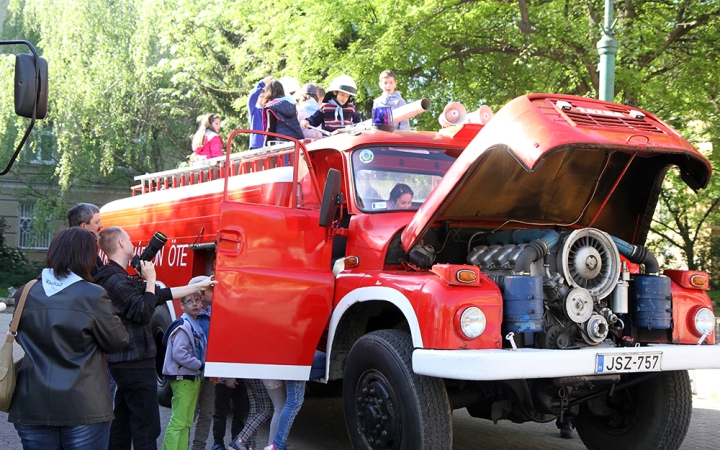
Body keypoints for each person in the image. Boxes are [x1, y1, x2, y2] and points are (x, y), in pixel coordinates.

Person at [95, 226, 217, 450]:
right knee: (147, 426)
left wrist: (198, 286)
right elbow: (143, 313)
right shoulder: (115, 281)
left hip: (127, 362)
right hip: (134, 363)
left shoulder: (118, 277)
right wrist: (151, 279)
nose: (133, 244)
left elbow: (160, 295)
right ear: (121, 244)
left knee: (123, 423)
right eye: (129, 240)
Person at [8, 227, 128, 450]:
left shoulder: (25, 292)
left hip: (31, 401)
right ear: (87, 256)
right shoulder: (93, 294)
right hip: (84, 405)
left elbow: (19, 336)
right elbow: (117, 341)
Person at [161, 290, 208, 450]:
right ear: (181, 305)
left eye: (197, 300)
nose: (194, 304)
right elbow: (179, 354)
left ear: (202, 303)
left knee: (187, 422)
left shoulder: (193, 324)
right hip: (183, 379)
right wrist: (200, 365)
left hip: (191, 379)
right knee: (179, 422)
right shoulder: (183, 326)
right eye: (189, 301)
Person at [228, 379, 272, 450]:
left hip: (248, 372)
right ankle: (239, 441)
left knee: (255, 407)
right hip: (258, 373)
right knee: (266, 410)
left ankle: (251, 446)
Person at [260, 80, 305, 145]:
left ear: (268, 91)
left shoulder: (271, 107)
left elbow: (270, 128)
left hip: (281, 143)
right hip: (296, 141)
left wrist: (265, 144)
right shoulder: (291, 103)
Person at [212, 378, 249, 450]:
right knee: (220, 414)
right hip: (223, 380)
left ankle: (236, 444)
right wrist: (228, 378)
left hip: (241, 380)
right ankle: (218, 444)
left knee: (240, 414)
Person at [248, 76, 273, 150]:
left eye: (264, 97)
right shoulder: (254, 111)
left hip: (269, 144)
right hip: (257, 145)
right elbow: (251, 98)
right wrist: (261, 84)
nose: (263, 99)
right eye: (261, 96)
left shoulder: (270, 110)